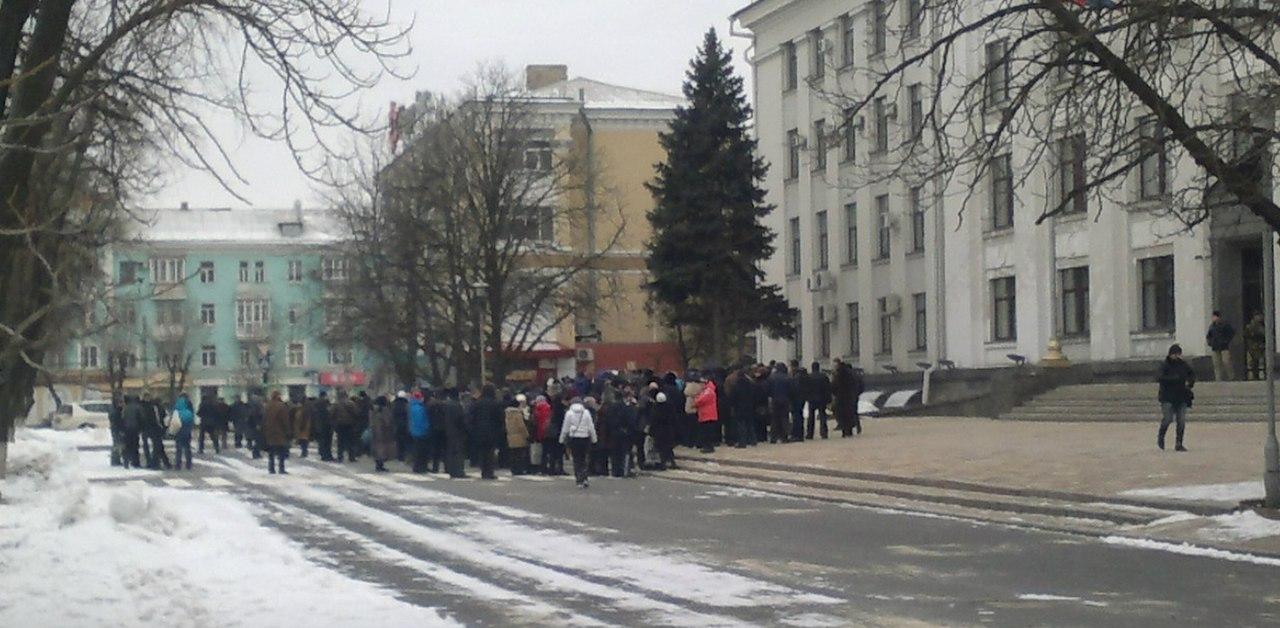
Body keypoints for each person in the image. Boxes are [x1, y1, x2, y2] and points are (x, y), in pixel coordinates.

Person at [1157, 343, 1195, 452]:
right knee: (1168, 419)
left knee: (1181, 421)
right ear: (1170, 354)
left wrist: (1190, 383)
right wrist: (1174, 379)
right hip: (1167, 396)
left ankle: (1179, 443)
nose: (1176, 356)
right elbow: (1159, 377)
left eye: (1178, 354)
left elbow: (1191, 374)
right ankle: (1161, 436)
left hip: (1181, 396)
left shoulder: (1183, 364)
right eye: (1174, 354)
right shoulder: (1164, 365)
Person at [468, 384, 505, 480]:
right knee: (490, 452)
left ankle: (483, 471)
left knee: (482, 452)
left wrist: (472, 429)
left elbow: (471, 417)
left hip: (479, 431)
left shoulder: (477, 403)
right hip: (492, 431)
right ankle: (489, 472)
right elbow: (500, 418)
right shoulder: (495, 403)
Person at [560, 397, 598, 488]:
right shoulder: (586, 413)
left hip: (574, 438)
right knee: (584, 458)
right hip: (585, 437)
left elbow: (565, 427)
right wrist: (594, 438)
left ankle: (579, 480)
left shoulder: (569, 413)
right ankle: (585, 477)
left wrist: (561, 439)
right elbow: (591, 427)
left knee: (577, 459)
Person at [439, 389, 469, 478]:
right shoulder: (457, 405)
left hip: (448, 430)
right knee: (458, 452)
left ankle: (451, 469)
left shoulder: (446, 405)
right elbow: (460, 419)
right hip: (457, 431)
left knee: (450, 451)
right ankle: (458, 471)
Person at [262, 390, 294, 474]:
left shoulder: (267, 406)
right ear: (278, 396)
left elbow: (264, 419)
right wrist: (288, 431)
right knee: (281, 452)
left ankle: (271, 468)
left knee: (271, 452)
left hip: (269, 432)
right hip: (280, 432)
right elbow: (285, 420)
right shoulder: (282, 406)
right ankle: (281, 468)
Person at [833, 359, 864, 437]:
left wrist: (835, 394)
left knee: (842, 414)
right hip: (851, 397)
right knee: (851, 412)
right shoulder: (853, 375)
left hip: (841, 398)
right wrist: (856, 393)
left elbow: (834, 386)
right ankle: (851, 429)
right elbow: (860, 385)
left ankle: (844, 430)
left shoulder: (839, 374)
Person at [729, 366, 757, 448]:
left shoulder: (736, 385)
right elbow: (754, 396)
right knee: (750, 424)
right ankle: (753, 440)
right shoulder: (750, 384)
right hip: (749, 406)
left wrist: (732, 406)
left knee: (741, 425)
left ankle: (742, 442)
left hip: (739, 408)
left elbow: (732, 397)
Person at [505, 394, 532, 476]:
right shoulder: (517, 414)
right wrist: (527, 435)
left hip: (510, 436)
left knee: (513, 454)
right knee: (519, 454)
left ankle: (513, 469)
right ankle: (519, 469)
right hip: (519, 436)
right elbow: (521, 426)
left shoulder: (507, 414)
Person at [1206, 310, 1236, 381]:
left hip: (1224, 347)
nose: (1213, 318)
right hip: (1215, 347)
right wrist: (1210, 342)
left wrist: (1226, 341)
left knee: (1226, 362)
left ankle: (1231, 377)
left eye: (1214, 316)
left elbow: (1231, 333)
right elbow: (1209, 336)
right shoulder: (1212, 326)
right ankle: (1218, 379)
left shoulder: (1225, 325)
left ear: (1218, 317)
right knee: (1217, 364)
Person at [370, 396, 397, 472]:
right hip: (383, 431)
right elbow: (387, 421)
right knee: (382, 448)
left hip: (375, 430)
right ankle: (380, 465)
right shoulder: (384, 410)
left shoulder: (373, 409)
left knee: (377, 447)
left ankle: (378, 464)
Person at [144, 396, 172, 470]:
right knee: (158, 447)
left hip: (152, 430)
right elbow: (161, 419)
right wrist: (164, 428)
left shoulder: (150, 408)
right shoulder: (158, 409)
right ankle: (155, 464)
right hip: (156, 430)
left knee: (159, 446)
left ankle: (165, 463)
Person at [767, 364, 792, 443]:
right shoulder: (788, 378)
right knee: (784, 418)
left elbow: (768, 390)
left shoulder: (771, 377)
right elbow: (791, 390)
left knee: (774, 419)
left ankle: (773, 437)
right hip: (785, 400)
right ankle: (784, 437)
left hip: (775, 400)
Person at [693, 377, 719, 454]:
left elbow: (699, 400)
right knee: (707, 432)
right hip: (707, 414)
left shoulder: (708, 391)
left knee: (707, 432)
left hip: (707, 414)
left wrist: (695, 400)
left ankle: (708, 447)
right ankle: (707, 446)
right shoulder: (708, 390)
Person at [332, 391, 359, 463]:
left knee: (340, 442)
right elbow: (356, 413)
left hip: (340, 425)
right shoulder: (351, 404)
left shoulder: (336, 404)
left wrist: (334, 423)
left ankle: (340, 457)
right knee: (351, 441)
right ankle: (351, 457)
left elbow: (332, 414)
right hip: (350, 425)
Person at [808, 362, 832, 439]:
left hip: (811, 399)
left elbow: (806, 389)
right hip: (822, 399)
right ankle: (824, 433)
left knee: (811, 417)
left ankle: (810, 434)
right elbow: (828, 388)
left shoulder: (809, 377)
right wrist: (829, 399)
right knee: (822, 416)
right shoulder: (824, 376)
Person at [120, 395, 144, 469]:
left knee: (127, 446)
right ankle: (135, 462)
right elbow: (141, 418)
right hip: (135, 429)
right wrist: (141, 428)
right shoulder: (137, 407)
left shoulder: (125, 408)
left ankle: (126, 461)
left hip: (126, 429)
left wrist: (122, 429)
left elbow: (122, 418)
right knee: (135, 446)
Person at [408, 390, 430, 473]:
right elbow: (423, 420)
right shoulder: (421, 408)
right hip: (422, 432)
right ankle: (421, 467)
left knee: (416, 450)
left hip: (414, 431)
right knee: (422, 451)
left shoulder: (411, 407)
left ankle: (416, 467)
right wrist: (427, 428)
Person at [173, 393, 195, 470]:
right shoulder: (189, 412)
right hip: (187, 432)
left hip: (178, 432)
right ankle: (188, 464)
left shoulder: (176, 412)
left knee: (178, 448)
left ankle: (178, 464)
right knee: (187, 448)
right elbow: (192, 422)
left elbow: (173, 422)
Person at [531, 395, 551, 474]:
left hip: (539, 432)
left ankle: (541, 467)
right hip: (548, 431)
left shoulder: (536, 409)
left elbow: (534, 422)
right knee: (548, 450)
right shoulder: (549, 408)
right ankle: (547, 467)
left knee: (542, 451)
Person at [790, 365, 810, 442]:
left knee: (796, 417)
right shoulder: (806, 377)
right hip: (803, 398)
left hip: (796, 399)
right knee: (800, 416)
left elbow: (794, 388)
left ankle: (796, 435)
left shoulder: (797, 378)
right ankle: (800, 434)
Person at [1245, 311, 1266, 381]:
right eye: (1258, 316)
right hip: (1253, 346)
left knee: (1259, 362)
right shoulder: (1250, 326)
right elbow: (1246, 335)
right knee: (1253, 362)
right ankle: (1253, 376)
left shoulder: (1262, 326)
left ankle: (1258, 375)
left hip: (1259, 346)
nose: (1260, 318)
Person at [313, 390, 333, 461]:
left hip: (318, 424)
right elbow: (329, 412)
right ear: (324, 395)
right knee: (327, 441)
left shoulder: (315, 403)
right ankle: (327, 455)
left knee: (321, 440)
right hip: (326, 424)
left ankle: (322, 454)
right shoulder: (326, 402)